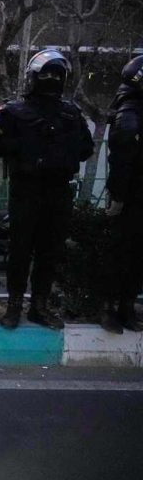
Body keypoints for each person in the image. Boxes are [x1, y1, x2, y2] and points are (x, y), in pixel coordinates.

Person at [0, 50, 94, 330]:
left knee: (50, 251)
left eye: (57, 75)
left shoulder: (71, 113)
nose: (52, 79)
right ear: (34, 77)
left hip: (58, 190)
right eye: (47, 74)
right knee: (20, 250)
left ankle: (39, 306)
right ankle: (13, 305)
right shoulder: (12, 111)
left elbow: (86, 148)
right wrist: (26, 147)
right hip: (26, 189)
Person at [105, 54, 143, 334]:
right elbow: (121, 157)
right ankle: (109, 308)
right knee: (119, 251)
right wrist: (118, 195)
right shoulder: (129, 111)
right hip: (130, 194)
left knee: (135, 254)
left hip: (134, 192)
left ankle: (127, 307)